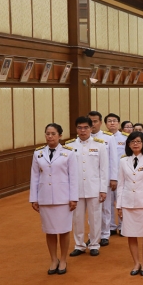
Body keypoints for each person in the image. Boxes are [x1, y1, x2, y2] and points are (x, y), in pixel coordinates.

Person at [30, 123, 78, 275]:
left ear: (60, 136)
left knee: (63, 230)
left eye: (53, 133)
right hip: (45, 197)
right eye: (47, 133)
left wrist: (73, 198)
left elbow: (74, 177)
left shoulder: (68, 153)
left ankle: (63, 259)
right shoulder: (38, 153)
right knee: (49, 231)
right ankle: (53, 259)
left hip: (63, 198)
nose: (50, 136)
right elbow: (34, 177)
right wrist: (34, 198)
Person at [116, 132, 143, 276]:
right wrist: (119, 205)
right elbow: (121, 184)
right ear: (128, 144)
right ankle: (136, 263)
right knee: (131, 235)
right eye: (133, 141)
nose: (135, 144)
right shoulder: (123, 161)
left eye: (138, 141)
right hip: (128, 204)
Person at [66, 116, 108, 257]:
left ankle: (94, 244)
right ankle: (79, 245)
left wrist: (103, 189)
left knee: (95, 218)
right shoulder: (70, 146)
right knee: (77, 219)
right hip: (76, 189)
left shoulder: (100, 145)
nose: (82, 130)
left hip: (94, 188)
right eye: (79, 128)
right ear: (76, 129)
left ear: (91, 128)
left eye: (85, 127)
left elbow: (104, 169)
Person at [89, 111, 118, 247]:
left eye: (95, 121)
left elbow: (113, 159)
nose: (93, 124)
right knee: (92, 209)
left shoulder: (108, 137)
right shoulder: (83, 138)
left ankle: (105, 234)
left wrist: (113, 178)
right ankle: (94, 234)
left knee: (105, 208)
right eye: (91, 121)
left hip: (105, 178)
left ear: (100, 122)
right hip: (89, 179)